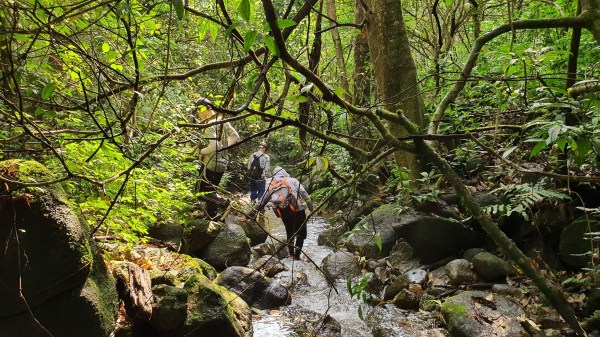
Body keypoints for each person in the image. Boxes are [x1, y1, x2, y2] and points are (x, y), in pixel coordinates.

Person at [250, 166, 314, 260]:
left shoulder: (271, 185)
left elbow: (261, 202)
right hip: (298, 210)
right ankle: (297, 256)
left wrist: (248, 215)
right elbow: (304, 193)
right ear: (284, 173)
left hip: (285, 212)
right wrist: (311, 209)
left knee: (290, 233)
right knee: (301, 234)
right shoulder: (292, 180)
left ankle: (291, 255)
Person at [195, 98, 240, 220]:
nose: (198, 113)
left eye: (199, 110)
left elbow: (213, 146)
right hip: (222, 163)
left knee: (200, 193)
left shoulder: (210, 124)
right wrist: (224, 147)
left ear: (206, 108)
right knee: (211, 190)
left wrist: (202, 151)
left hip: (210, 163)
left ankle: (225, 203)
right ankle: (213, 216)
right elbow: (235, 137)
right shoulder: (222, 121)